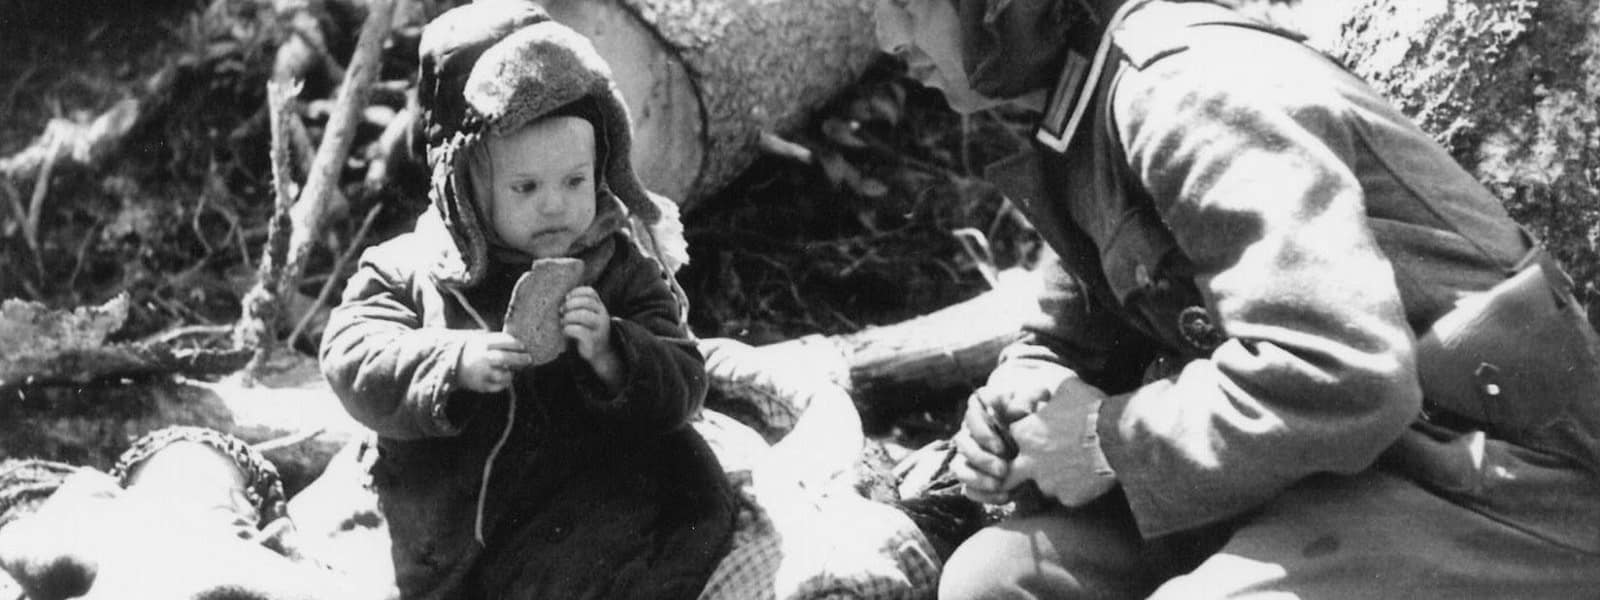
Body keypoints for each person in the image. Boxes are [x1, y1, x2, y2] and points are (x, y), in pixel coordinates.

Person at [874, 0, 1600, 597]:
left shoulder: (1187, 92)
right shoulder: (1084, 103)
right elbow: (1063, 336)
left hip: (1495, 484)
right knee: (998, 582)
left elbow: (1343, 373)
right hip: (1317, 468)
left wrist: (1102, 442)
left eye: (907, 6)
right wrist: (1022, 401)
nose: (887, 37)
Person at [318, 2, 735, 597]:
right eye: (526, 187)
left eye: (574, 182)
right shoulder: (410, 269)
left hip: (597, 497)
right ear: (463, 185)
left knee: (628, 567)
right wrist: (449, 363)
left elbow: (686, 380)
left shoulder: (618, 267)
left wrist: (618, 352)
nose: (555, 206)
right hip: (454, 513)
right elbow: (349, 356)